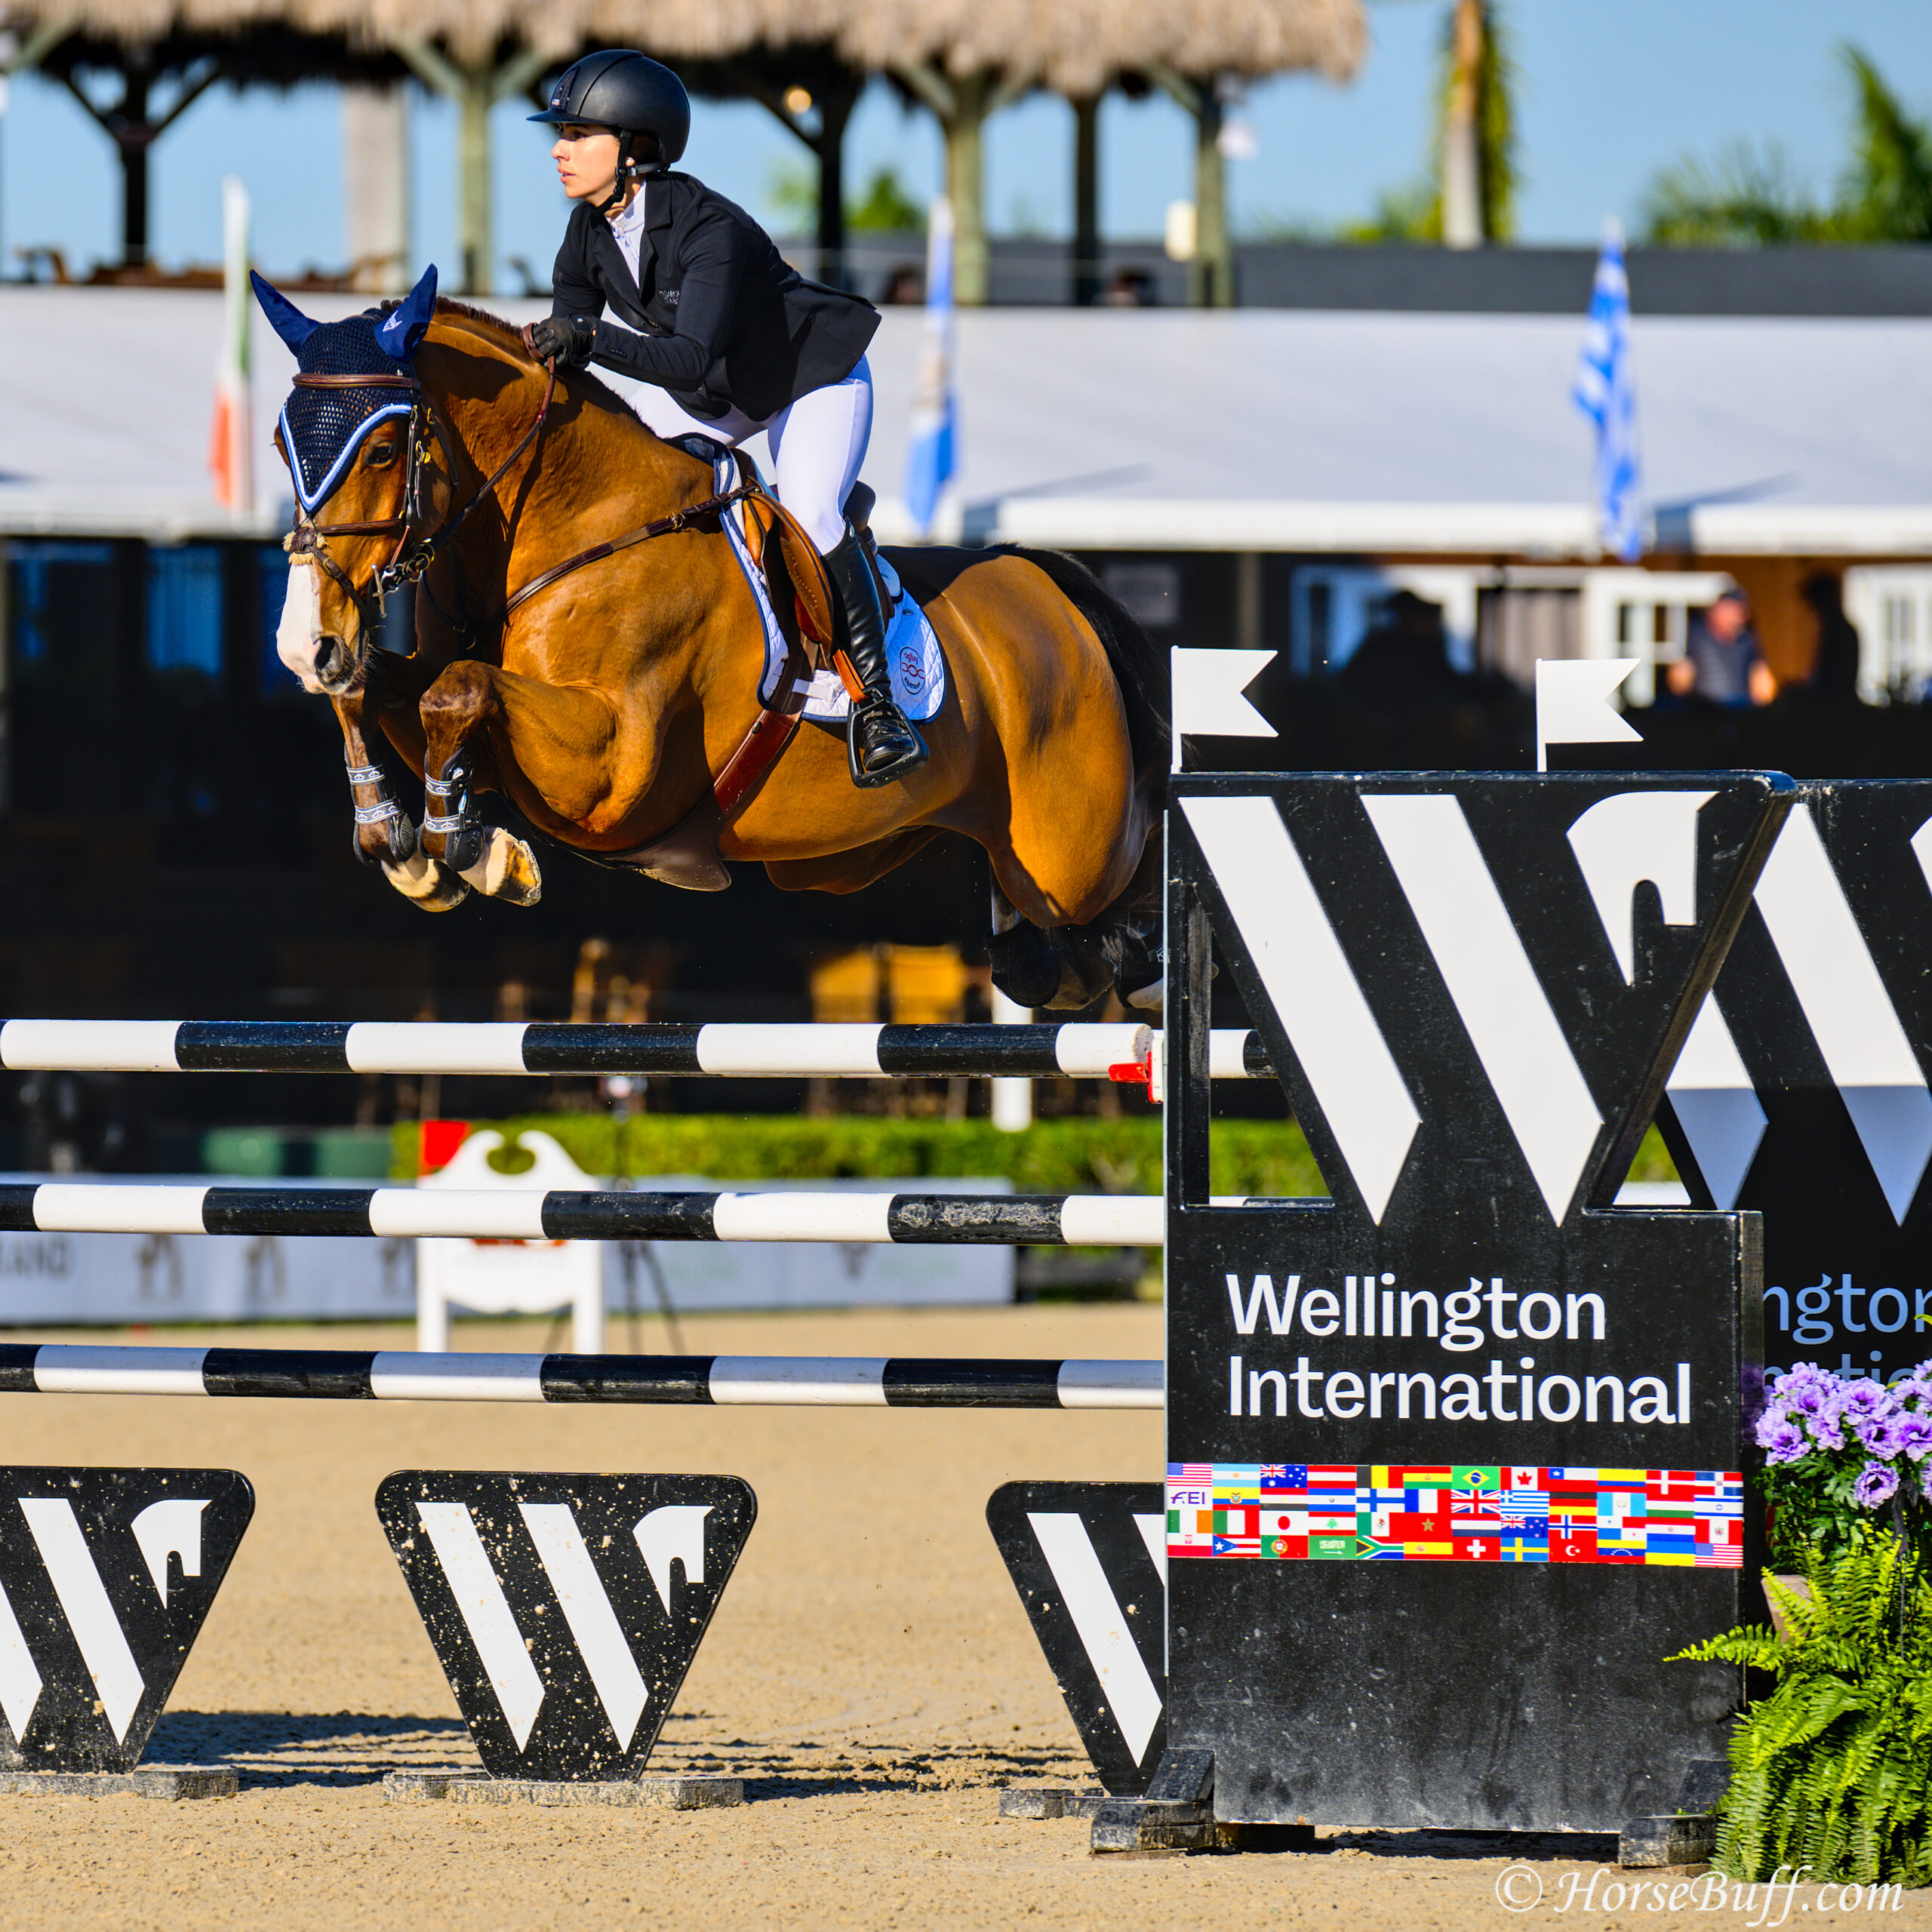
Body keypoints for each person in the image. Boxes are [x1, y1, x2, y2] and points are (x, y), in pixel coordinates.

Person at [523, 51, 928, 789]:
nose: (559, 147)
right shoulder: (587, 232)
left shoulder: (709, 228)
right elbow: (568, 345)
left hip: (809, 377)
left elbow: (684, 355)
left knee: (806, 509)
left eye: (579, 133)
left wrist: (589, 339)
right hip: (719, 391)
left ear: (635, 147)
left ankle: (879, 708)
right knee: (635, 484)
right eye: (562, 132)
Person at [1666, 587, 1774, 707]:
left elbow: (1761, 677)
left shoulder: (1747, 640)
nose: (1735, 617)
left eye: (1739, 611)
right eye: (1728, 610)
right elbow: (1680, 677)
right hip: (1703, 708)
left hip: (1739, 708)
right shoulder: (1696, 635)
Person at [1800, 571, 1862, 703]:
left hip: (1837, 709)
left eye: (1816, 602)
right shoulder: (1834, 630)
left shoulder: (1840, 631)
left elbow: (1835, 680)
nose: (1813, 610)